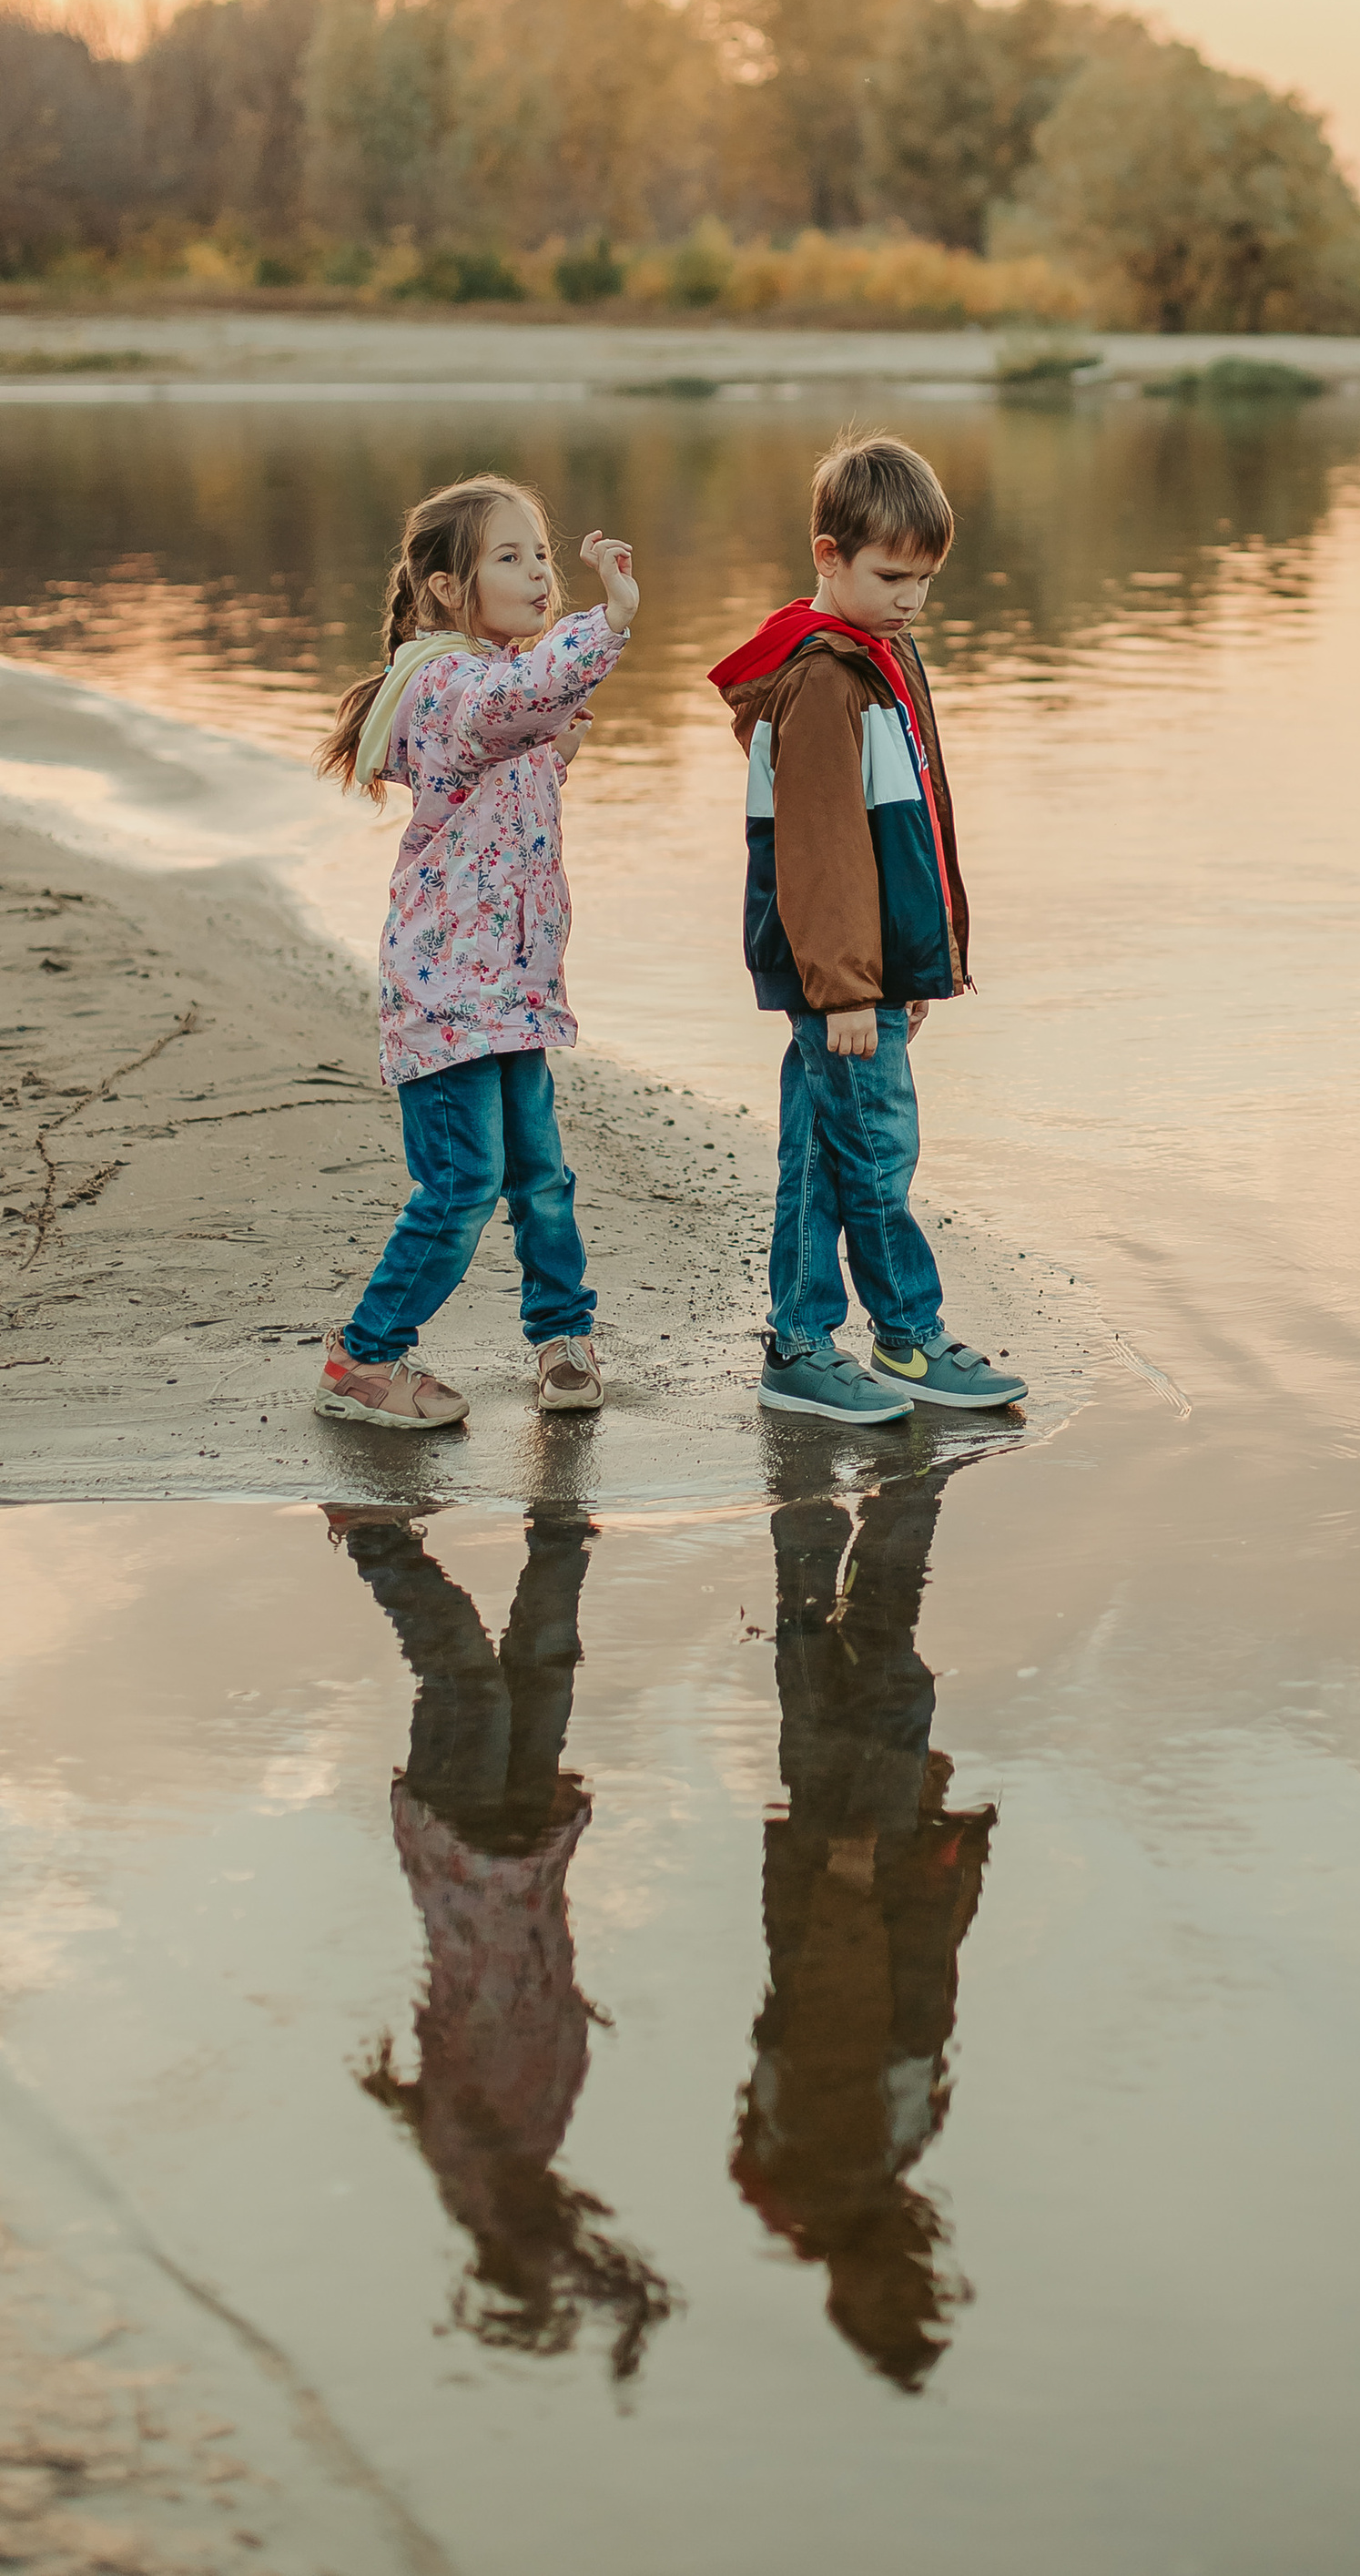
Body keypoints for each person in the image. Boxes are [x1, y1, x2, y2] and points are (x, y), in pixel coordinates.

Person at [708, 431, 1025, 1426]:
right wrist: (847, 986)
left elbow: (907, 829)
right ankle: (906, 1336)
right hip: (839, 978)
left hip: (863, 970)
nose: (910, 600)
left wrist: (915, 967)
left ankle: (800, 1347)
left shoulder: (878, 654)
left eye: (925, 581)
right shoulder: (822, 679)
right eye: (891, 576)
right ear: (827, 554)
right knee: (879, 1153)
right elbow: (822, 848)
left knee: (819, 1158)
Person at [312, 474, 639, 1431]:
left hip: (511, 990)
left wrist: (554, 753)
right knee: (460, 1187)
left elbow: (510, 736)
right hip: (452, 994)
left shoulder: (478, 682)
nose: (540, 572)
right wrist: (605, 623)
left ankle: (561, 1334)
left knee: (539, 1173)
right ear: (449, 588)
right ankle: (365, 1361)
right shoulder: (453, 681)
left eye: (542, 554)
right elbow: (512, 700)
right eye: (512, 556)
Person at [330, 1502, 673, 2382]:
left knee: (467, 1685)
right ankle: (558, 1524)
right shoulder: (520, 2153)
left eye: (533, 2265)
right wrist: (616, 2297)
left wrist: (615, 2300)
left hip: (466, 1858)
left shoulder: (482, 2179)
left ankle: (374, 1538)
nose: (551, 2242)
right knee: (541, 1667)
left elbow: (545, 2233)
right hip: (516, 1864)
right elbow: (560, 2233)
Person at [729, 1450, 998, 2388]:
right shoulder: (847, 2178)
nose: (928, 2276)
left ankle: (883, 1483)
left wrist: (852, 1873)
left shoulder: (833, 2171)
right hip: (851, 1869)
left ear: (858, 2295)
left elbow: (830, 2021)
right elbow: (912, 2009)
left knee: (864, 1667)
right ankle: (846, 1487)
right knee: (841, 1664)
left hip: (849, 1872)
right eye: (926, 2293)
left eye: (908, 2297)